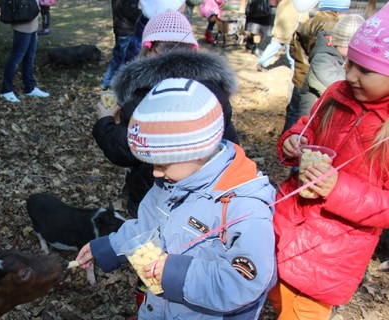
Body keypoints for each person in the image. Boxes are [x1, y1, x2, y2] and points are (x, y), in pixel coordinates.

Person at [78, 77, 277, 319]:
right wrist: (110, 247)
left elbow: (244, 282)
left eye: (162, 164)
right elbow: (146, 229)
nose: (155, 173)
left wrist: (175, 274)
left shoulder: (243, 206)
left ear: (198, 150)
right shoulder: (170, 181)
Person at [268, 4, 389, 319]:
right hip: (289, 219)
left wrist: (338, 189)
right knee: (274, 293)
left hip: (331, 252)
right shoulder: (337, 93)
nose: (350, 75)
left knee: (303, 311)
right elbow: (307, 124)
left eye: (366, 70)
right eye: (350, 63)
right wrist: (294, 141)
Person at [93, 9, 239, 219]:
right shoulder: (213, 89)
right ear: (193, 48)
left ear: (149, 49)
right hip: (204, 195)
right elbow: (229, 143)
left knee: (150, 245)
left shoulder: (142, 94)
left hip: (152, 195)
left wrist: (105, 120)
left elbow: (125, 150)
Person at [282, 0, 350, 132]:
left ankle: (286, 141)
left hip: (300, 75)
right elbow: (326, 54)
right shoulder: (332, 27)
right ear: (338, 10)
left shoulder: (307, 23)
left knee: (293, 112)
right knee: (308, 116)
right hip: (316, 76)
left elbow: (292, 48)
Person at [287, 14, 364, 128]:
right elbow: (340, 89)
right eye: (352, 47)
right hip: (311, 123)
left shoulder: (340, 57)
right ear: (341, 42)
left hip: (324, 122)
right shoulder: (322, 59)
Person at [0, 0, 50, 103]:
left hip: (32, 18)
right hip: (22, 18)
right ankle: (6, 90)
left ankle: (30, 87)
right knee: (16, 57)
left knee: (30, 56)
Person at [101, 0, 142, 90]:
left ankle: (106, 82)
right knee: (125, 62)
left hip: (121, 29)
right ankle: (118, 87)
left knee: (117, 59)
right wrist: (144, 13)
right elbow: (131, 12)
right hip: (128, 31)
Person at [256, 0, 304, 72]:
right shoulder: (301, 4)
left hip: (279, 31)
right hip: (291, 33)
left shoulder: (282, 2)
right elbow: (304, 20)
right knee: (292, 53)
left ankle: (262, 63)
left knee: (272, 47)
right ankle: (295, 70)